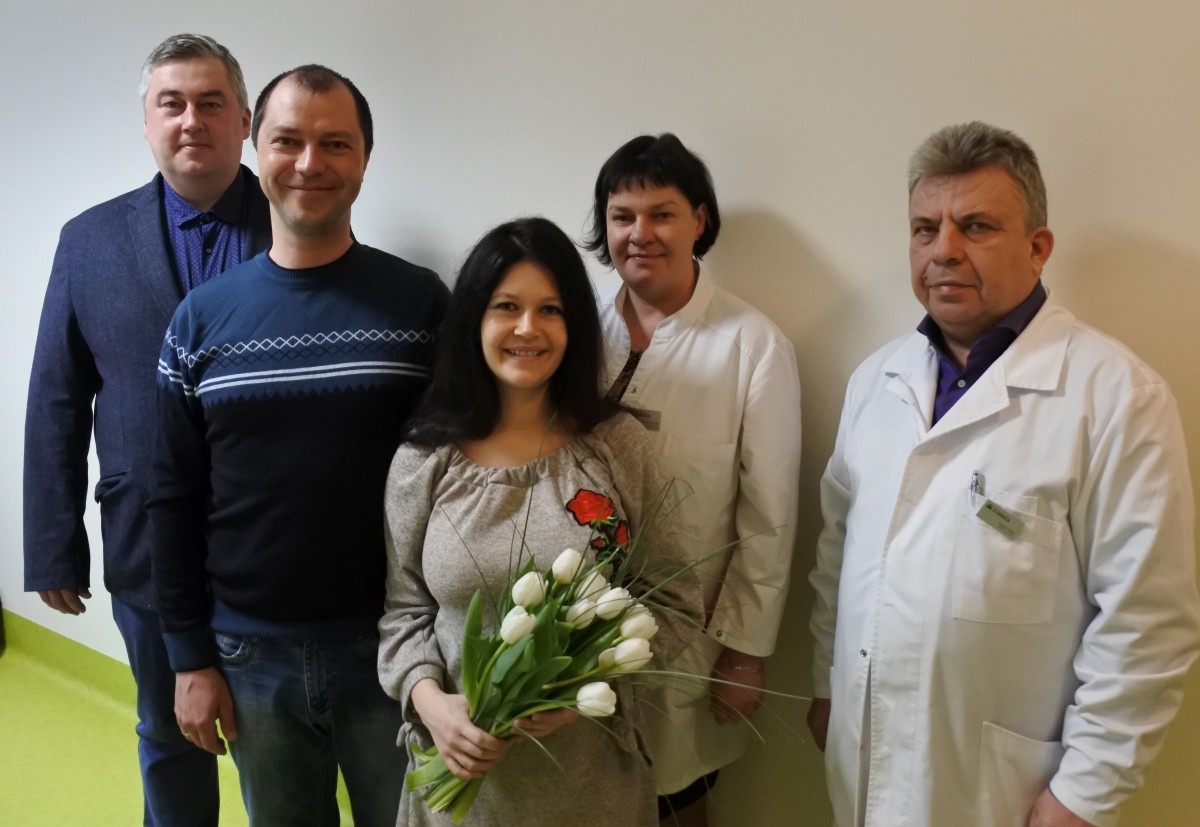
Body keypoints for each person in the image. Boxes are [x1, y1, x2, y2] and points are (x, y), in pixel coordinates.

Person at [807, 121, 1200, 827]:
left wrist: (1085, 793)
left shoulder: (1116, 396)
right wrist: (827, 686)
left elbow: (1148, 620)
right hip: (864, 761)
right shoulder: (875, 382)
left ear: (1038, 247)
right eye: (924, 229)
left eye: (977, 226)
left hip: (1006, 793)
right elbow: (837, 556)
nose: (944, 249)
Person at [147, 64, 449, 826]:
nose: (310, 163)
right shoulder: (199, 322)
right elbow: (172, 498)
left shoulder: (421, 306)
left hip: (395, 650)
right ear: (257, 147)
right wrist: (188, 657)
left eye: (335, 143)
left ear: (365, 158)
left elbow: (461, 480)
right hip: (250, 656)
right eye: (288, 141)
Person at [377, 216, 702, 827]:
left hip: (591, 786)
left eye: (550, 310)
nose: (528, 328)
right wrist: (432, 704)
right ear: (474, 320)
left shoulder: (616, 447)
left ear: (574, 326)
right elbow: (404, 610)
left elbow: (675, 600)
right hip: (460, 785)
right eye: (506, 307)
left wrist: (582, 687)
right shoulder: (424, 461)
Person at [23, 33, 269, 827]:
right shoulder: (88, 241)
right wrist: (53, 543)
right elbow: (57, 398)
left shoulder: (300, 221)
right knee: (169, 732)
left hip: (276, 543)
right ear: (148, 122)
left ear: (244, 120)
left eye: (210, 102)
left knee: (281, 748)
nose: (191, 119)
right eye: (172, 103)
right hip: (145, 540)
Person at [584, 133, 802, 825]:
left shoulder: (752, 345)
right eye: (622, 216)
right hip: (575, 622)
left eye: (662, 214)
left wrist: (744, 654)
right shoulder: (575, 330)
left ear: (699, 220)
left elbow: (769, 518)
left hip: (690, 637)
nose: (640, 233)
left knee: (677, 797)